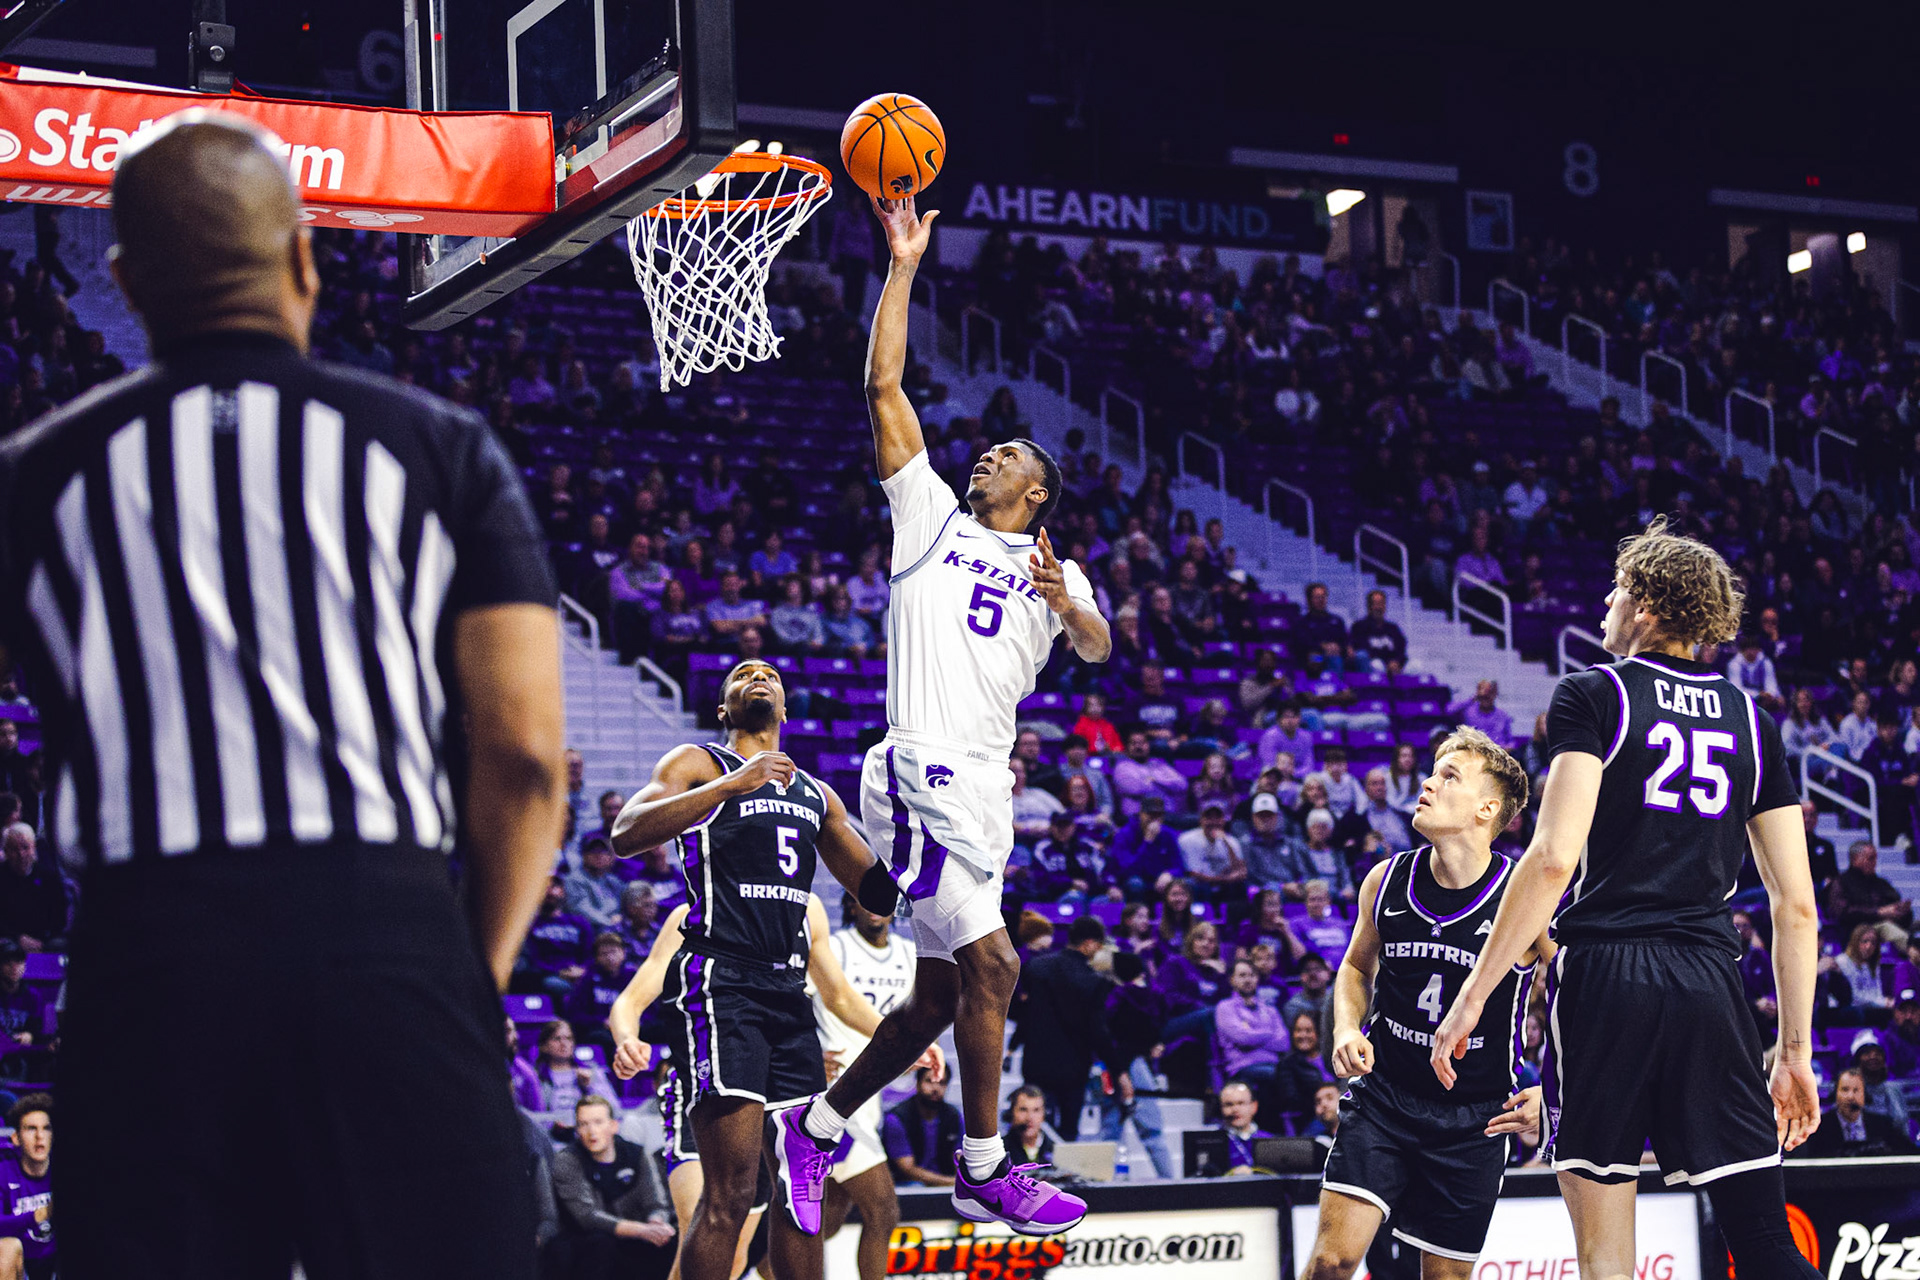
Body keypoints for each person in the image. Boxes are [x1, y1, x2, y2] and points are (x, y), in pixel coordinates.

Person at [0, 114, 568, 1278]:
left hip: (147, 964)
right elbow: (522, 750)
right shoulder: (437, 445)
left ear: (127, 284)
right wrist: (469, 975)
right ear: (304, 260)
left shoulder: (34, 479)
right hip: (387, 940)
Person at [784, 194, 1108, 1242]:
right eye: (987, 451)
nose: (987, 458)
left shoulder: (1057, 570)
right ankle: (982, 1169)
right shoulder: (930, 517)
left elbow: (1100, 647)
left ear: (1038, 490)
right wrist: (904, 265)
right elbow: (884, 385)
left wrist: (1067, 606)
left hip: (980, 784)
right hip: (919, 766)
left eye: (1007, 455)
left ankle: (816, 1125)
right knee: (997, 965)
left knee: (933, 999)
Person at [1434, 518, 1822, 1280]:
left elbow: (1552, 859)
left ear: (1645, 604)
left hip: (1607, 979)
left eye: (1615, 590)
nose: (1606, 603)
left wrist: (1475, 994)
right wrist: (1796, 1054)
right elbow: (1798, 907)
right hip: (1710, 984)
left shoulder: (1594, 694)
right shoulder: (1754, 722)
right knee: (1767, 1249)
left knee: (1607, 1264)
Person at [606, 661, 893, 1280]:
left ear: (786, 709)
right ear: (723, 708)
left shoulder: (817, 796)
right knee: (731, 1193)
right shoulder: (699, 762)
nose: (758, 676)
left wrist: (923, 836)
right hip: (723, 983)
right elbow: (625, 834)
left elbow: (878, 894)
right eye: (742, 674)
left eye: (770, 674)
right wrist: (731, 786)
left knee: (800, 1195)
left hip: (788, 995)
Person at [1304, 727, 1547, 1280]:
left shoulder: (1526, 897)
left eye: (1449, 776)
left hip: (1476, 1118)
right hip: (1385, 1098)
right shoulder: (1385, 879)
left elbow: (1576, 996)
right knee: (1332, 1262)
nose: (1428, 783)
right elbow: (1355, 967)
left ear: (1488, 808)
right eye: (1433, 772)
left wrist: (1557, 1089)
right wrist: (1346, 1028)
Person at [606, 896, 937, 1280]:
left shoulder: (807, 909)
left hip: (772, 1095)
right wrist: (626, 1038)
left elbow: (840, 997)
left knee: (737, 1256)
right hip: (706, 1084)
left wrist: (901, 1042)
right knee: (711, 1221)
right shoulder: (696, 911)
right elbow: (630, 1000)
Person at [549, 1096, 676, 1280]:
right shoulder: (567, 1160)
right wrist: (642, 1230)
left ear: (613, 1126)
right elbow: (588, 1217)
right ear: (577, 1130)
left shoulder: (637, 1154)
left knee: (670, 1239)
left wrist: (656, 1223)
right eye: (583, 1124)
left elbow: (657, 1203)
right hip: (589, 1243)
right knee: (600, 1244)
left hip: (637, 1238)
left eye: (598, 1122)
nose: (592, 1131)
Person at [1019, 917, 1115, 1138]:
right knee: (1068, 1132)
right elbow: (1098, 1030)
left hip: (1036, 1062)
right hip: (1073, 1067)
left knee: (1036, 1130)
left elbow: (1023, 1014)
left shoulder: (1036, 967)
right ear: (1089, 943)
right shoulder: (1093, 980)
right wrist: (1115, 1068)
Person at [1796, 1068, 1914, 1158]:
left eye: (1856, 1090)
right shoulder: (1820, 1127)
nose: (1850, 1096)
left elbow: (1909, 1152)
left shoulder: (1882, 1124)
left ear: (1865, 1095)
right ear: (1835, 1094)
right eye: (1845, 1090)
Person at [0, 1093, 52, 1280]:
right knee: (7, 1247)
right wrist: (39, 1215)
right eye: (31, 1129)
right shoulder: (4, 1171)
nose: (40, 1136)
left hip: (58, 1262)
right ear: (16, 1138)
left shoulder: (68, 1170)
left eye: (46, 1128)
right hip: (20, 1266)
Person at [883, 1067, 963, 1187]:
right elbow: (907, 1170)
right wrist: (951, 1182)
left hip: (946, 1183)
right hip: (906, 1186)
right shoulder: (897, 1118)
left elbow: (959, 1159)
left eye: (941, 1083)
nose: (935, 1088)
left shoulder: (953, 1116)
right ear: (917, 1083)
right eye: (929, 1081)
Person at [1829, 841, 1912, 949]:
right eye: (1870, 858)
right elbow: (1843, 912)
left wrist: (1900, 911)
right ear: (1855, 859)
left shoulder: (1881, 883)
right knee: (1896, 934)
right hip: (1858, 929)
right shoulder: (1841, 882)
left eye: (1875, 858)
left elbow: (1895, 902)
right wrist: (1878, 912)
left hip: (1889, 923)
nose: (1875, 862)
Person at [0, 828, 68, 954]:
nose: (21, 854)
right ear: (6, 852)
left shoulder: (49, 878)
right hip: (11, 939)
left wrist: (42, 940)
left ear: (33, 849)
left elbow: (59, 916)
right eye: (14, 849)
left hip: (44, 939)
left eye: (25, 848)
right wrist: (18, 937)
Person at [1177, 802, 1247, 902]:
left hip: (1225, 886)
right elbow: (1193, 874)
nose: (1213, 822)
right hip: (1201, 885)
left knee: (1240, 886)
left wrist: (1226, 844)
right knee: (1192, 884)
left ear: (1224, 820)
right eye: (1209, 817)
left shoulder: (1232, 841)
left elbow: (1241, 871)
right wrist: (1225, 879)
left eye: (1217, 817)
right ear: (1201, 820)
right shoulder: (1187, 839)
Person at [1216, 1082, 1274, 1175]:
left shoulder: (1270, 1140)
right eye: (1229, 1104)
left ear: (1254, 1106)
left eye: (1241, 1103)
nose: (1235, 1109)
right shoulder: (1214, 1141)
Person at [1002, 1085, 1056, 1168]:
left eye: (1036, 1110)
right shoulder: (1000, 1151)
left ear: (1044, 1115)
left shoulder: (1056, 1150)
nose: (1030, 1117)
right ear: (1010, 1113)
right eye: (1023, 1110)